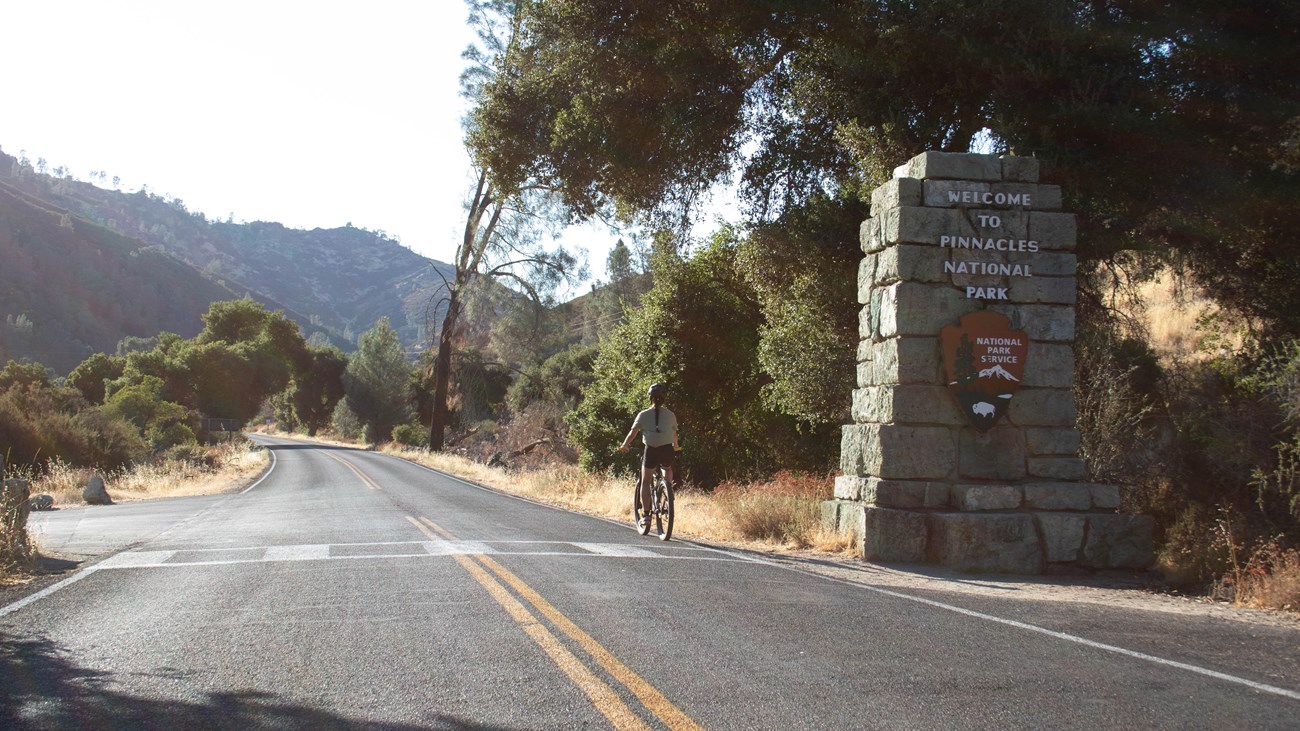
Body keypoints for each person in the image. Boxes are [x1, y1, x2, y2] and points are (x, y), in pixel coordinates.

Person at [617, 383, 679, 529]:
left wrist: (624, 445)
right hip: (667, 450)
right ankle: (668, 490)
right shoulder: (670, 415)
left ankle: (646, 515)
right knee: (667, 467)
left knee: (645, 482)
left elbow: (633, 433)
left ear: (650, 398)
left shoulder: (643, 415)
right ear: (664, 398)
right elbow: (674, 433)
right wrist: (676, 446)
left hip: (651, 450)